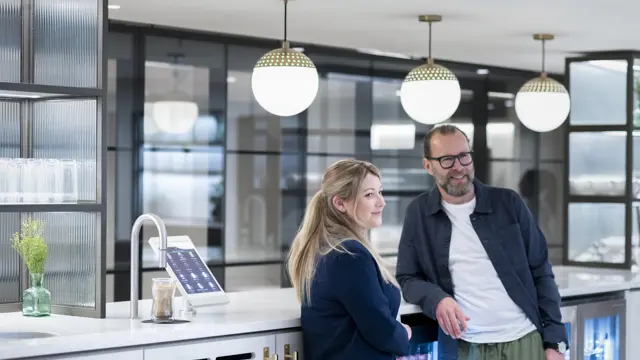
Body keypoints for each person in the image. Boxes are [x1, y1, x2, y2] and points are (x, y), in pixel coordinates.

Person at [395, 124, 567, 360]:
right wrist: (436, 299)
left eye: (464, 156)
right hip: (465, 346)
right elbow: (407, 278)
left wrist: (555, 342)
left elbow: (541, 272)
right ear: (428, 165)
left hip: (524, 339)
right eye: (447, 159)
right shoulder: (419, 213)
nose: (458, 167)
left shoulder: (509, 203)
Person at [287, 159, 412, 360]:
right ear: (340, 203)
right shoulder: (350, 255)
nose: (381, 202)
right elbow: (380, 329)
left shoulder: (330, 249)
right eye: (369, 194)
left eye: (380, 192)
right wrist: (404, 333)